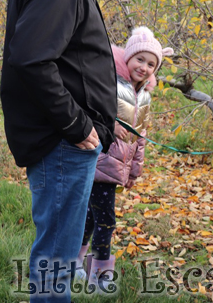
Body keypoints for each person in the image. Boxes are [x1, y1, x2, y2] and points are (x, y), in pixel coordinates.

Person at [0, 0, 118, 302]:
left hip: (60, 139)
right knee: (58, 254)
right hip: (62, 143)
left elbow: (70, 58)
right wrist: (78, 125)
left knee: (57, 250)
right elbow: (32, 58)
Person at [74, 27, 173, 291]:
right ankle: (99, 276)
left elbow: (141, 137)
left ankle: (75, 261)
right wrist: (109, 124)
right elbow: (90, 110)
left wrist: (134, 171)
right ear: (128, 58)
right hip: (99, 162)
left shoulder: (145, 96)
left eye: (151, 63)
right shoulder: (110, 83)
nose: (144, 67)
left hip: (116, 167)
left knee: (91, 218)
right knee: (106, 220)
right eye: (140, 60)